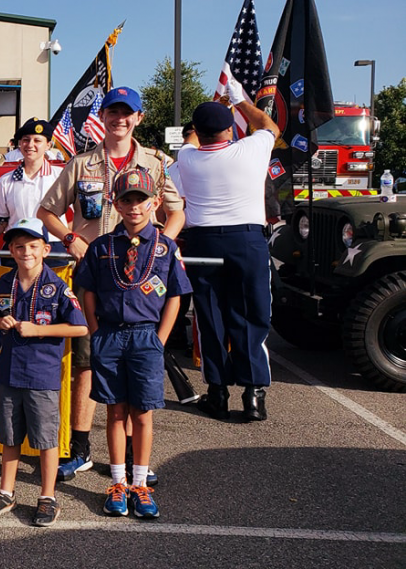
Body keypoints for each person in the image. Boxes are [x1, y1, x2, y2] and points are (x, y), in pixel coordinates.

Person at [37, 86, 185, 485]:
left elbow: (176, 210)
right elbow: (46, 211)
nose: (119, 119)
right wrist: (71, 239)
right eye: (113, 112)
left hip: (139, 285)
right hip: (96, 278)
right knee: (86, 365)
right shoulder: (81, 163)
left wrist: (164, 246)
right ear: (102, 117)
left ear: (138, 118)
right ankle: (81, 451)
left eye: (127, 113)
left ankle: (137, 462)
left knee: (137, 380)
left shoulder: (154, 164)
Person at [73, 168, 192, 520]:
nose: (134, 207)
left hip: (145, 336)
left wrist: (161, 338)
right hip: (110, 334)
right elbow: (88, 292)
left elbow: (175, 294)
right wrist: (95, 331)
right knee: (115, 410)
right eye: (127, 200)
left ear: (154, 203)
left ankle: (140, 481)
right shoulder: (103, 247)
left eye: (141, 200)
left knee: (143, 412)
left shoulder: (165, 247)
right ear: (116, 204)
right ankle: (118, 482)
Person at [174, 96, 281, 422]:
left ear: (198, 131)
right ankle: (253, 394)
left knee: (210, 316)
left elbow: (190, 141)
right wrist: (239, 102)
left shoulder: (187, 157)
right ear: (228, 130)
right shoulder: (250, 149)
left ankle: (218, 392)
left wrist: (209, 115)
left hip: (203, 241)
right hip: (246, 239)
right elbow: (269, 126)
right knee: (252, 314)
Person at [0, 217, 87, 527]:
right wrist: (1, 323)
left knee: (45, 439)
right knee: (10, 436)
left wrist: (40, 330)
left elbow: (80, 327)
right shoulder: (4, 283)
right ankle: (6, 491)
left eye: (32, 246)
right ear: (11, 251)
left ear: (45, 249)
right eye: (18, 246)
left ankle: (48, 496)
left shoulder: (57, 286)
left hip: (42, 375)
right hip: (9, 371)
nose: (25, 251)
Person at [0, 118, 66, 253]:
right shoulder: (5, 181)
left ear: (48, 145)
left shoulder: (61, 176)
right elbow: (1, 220)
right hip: (17, 246)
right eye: (26, 140)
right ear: (20, 144)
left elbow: (77, 217)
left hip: (52, 246)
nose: (30, 145)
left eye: (37, 141)